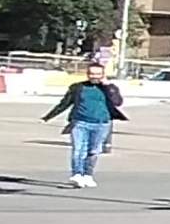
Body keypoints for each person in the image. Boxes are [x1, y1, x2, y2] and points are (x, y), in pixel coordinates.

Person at [41, 61, 126, 189]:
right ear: (87, 74)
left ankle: (88, 175)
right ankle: (77, 174)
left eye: (98, 74)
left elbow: (117, 102)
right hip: (80, 122)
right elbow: (65, 103)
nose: (94, 76)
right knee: (78, 150)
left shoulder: (109, 88)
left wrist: (108, 86)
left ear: (103, 75)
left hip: (101, 124)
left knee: (94, 151)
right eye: (91, 74)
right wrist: (48, 117)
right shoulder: (78, 87)